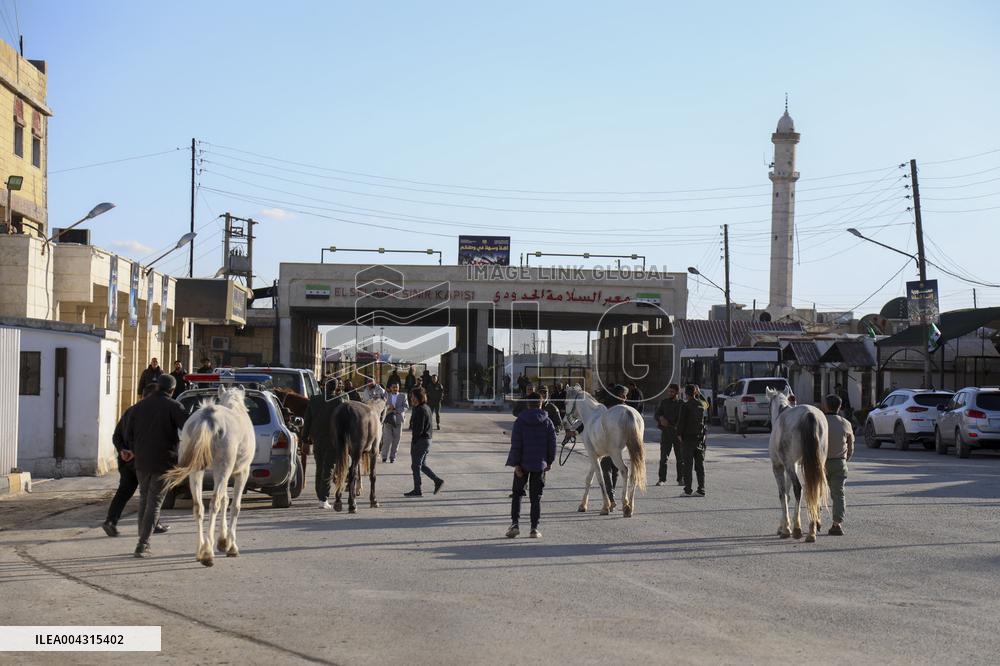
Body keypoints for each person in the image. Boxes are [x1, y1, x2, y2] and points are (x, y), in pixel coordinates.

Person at [124, 374, 187, 558]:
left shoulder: (139, 406)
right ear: (172, 390)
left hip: (141, 461)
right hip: (163, 462)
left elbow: (128, 432)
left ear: (157, 386)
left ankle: (142, 538)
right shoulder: (174, 406)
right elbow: (187, 427)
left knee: (144, 498)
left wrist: (132, 450)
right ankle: (143, 544)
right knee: (155, 502)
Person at [102, 384, 168, 537]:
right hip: (142, 461)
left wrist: (122, 451)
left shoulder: (129, 411)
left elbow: (116, 436)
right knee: (151, 494)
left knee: (124, 491)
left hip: (126, 460)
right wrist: (132, 452)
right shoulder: (147, 415)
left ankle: (111, 521)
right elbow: (141, 438)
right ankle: (152, 524)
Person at [505, 392, 557, 539]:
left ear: (527, 404)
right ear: (541, 404)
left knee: (517, 494)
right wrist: (549, 462)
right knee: (536, 498)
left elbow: (516, 444)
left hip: (522, 464)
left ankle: (515, 525)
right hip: (539, 465)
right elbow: (552, 444)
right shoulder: (548, 422)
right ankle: (534, 529)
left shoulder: (520, 421)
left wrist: (516, 465)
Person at [304, 378, 347, 509]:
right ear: (336, 388)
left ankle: (320, 495)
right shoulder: (339, 401)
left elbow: (307, 420)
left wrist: (304, 438)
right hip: (332, 441)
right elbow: (343, 423)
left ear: (324, 386)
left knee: (319, 467)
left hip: (317, 439)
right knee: (328, 468)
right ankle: (323, 498)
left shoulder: (314, 400)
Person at [822, 394, 854, 536]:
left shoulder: (819, 422)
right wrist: (844, 459)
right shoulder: (846, 423)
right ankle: (837, 524)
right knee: (838, 494)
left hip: (820, 463)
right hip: (839, 463)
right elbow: (850, 447)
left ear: (825, 406)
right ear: (839, 407)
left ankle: (815, 521)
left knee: (817, 493)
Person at [404, 387, 444, 497]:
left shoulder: (420, 409)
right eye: (411, 396)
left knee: (416, 466)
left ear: (418, 397)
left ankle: (417, 489)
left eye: (413, 396)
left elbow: (419, 429)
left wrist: (414, 442)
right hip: (427, 440)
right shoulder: (426, 407)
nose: (411, 398)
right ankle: (437, 481)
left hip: (421, 441)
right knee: (422, 465)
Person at [677, 384, 707, 496]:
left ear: (686, 393)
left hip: (688, 438)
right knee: (699, 465)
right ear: (695, 393)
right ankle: (701, 489)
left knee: (688, 465)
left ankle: (688, 490)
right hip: (699, 438)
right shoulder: (701, 404)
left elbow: (681, 421)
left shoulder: (685, 406)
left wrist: (679, 434)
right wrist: (698, 394)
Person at [654, 383, 683, 487]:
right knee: (663, 458)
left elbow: (684, 419)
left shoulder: (681, 404)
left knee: (680, 459)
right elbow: (657, 414)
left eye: (672, 391)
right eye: (669, 391)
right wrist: (661, 418)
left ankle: (681, 479)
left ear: (677, 392)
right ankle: (662, 479)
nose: (670, 393)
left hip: (678, 434)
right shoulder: (664, 402)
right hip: (666, 434)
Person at [380, 382, 408, 463]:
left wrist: (395, 409)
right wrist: (388, 408)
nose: (395, 388)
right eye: (393, 387)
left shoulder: (403, 396)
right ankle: (384, 456)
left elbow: (406, 407)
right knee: (386, 440)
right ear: (390, 388)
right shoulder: (386, 395)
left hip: (398, 421)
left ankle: (393, 457)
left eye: (397, 387)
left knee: (396, 440)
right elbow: (382, 405)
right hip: (387, 420)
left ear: (399, 388)